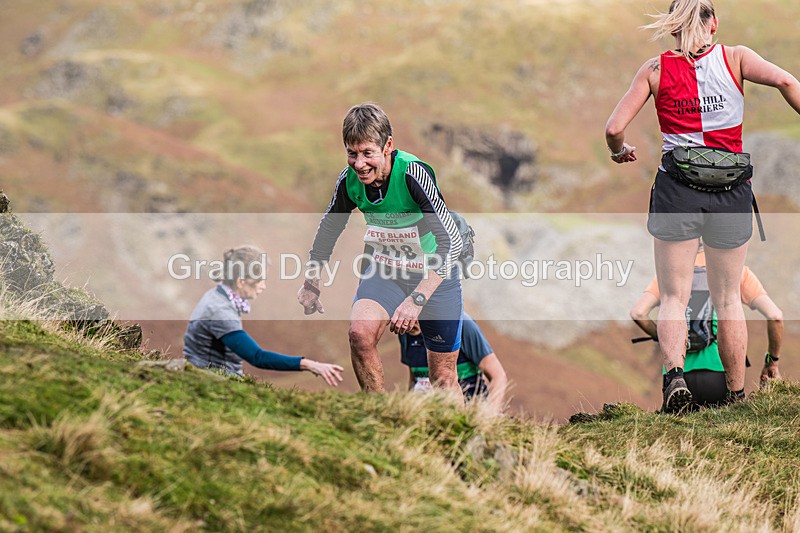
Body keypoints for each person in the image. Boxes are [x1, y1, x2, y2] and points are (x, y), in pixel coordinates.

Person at [605, 0, 800, 412]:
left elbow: (614, 128)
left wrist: (619, 151)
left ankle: (675, 381)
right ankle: (735, 395)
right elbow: (785, 81)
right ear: (713, 25)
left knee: (674, 297)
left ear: (675, 29)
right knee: (728, 299)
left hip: (677, 189)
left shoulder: (655, 69)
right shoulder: (737, 58)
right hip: (730, 192)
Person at [297, 103, 464, 395]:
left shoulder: (412, 174)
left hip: (434, 275)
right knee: (359, 335)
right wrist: (312, 280)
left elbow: (453, 242)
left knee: (442, 377)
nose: (359, 164)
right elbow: (329, 229)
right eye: (352, 153)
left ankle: (459, 438)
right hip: (386, 270)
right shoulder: (349, 181)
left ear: (387, 146)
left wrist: (417, 299)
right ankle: (380, 418)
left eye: (367, 153)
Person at [630, 241, 783, 409]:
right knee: (722, 431)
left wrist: (664, 337)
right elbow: (775, 316)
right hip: (720, 371)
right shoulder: (737, 272)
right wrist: (772, 361)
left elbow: (638, 313)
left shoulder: (671, 273)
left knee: (676, 432)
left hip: (678, 375)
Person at [184, 245, 344, 386]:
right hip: (212, 382)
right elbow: (257, 357)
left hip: (210, 376)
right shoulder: (219, 311)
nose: (263, 286)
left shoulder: (217, 297)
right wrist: (311, 365)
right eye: (260, 280)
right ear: (241, 282)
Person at [398, 313, 508, 412]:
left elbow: (498, 376)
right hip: (427, 414)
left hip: (468, 412)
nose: (410, 326)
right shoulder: (404, 328)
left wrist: (489, 415)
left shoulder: (462, 324)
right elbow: (414, 379)